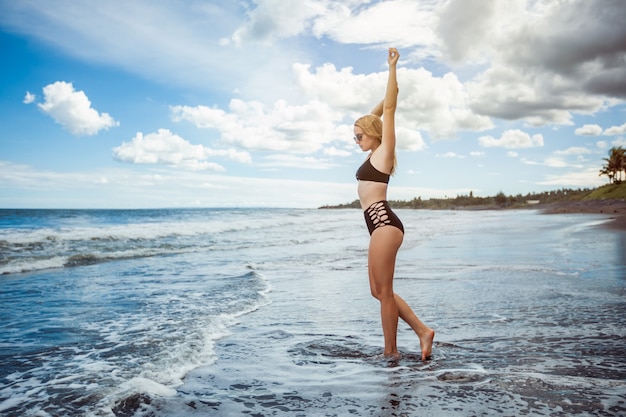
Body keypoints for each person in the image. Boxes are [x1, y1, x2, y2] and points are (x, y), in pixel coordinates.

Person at [354, 48, 435, 361]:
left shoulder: (385, 150)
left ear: (372, 136)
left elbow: (388, 108)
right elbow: (374, 117)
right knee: (377, 292)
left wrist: (392, 69)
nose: (356, 141)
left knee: (384, 291)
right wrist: (370, 117)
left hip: (385, 225)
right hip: (377, 227)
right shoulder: (372, 153)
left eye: (359, 136)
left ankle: (391, 353)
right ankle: (422, 331)